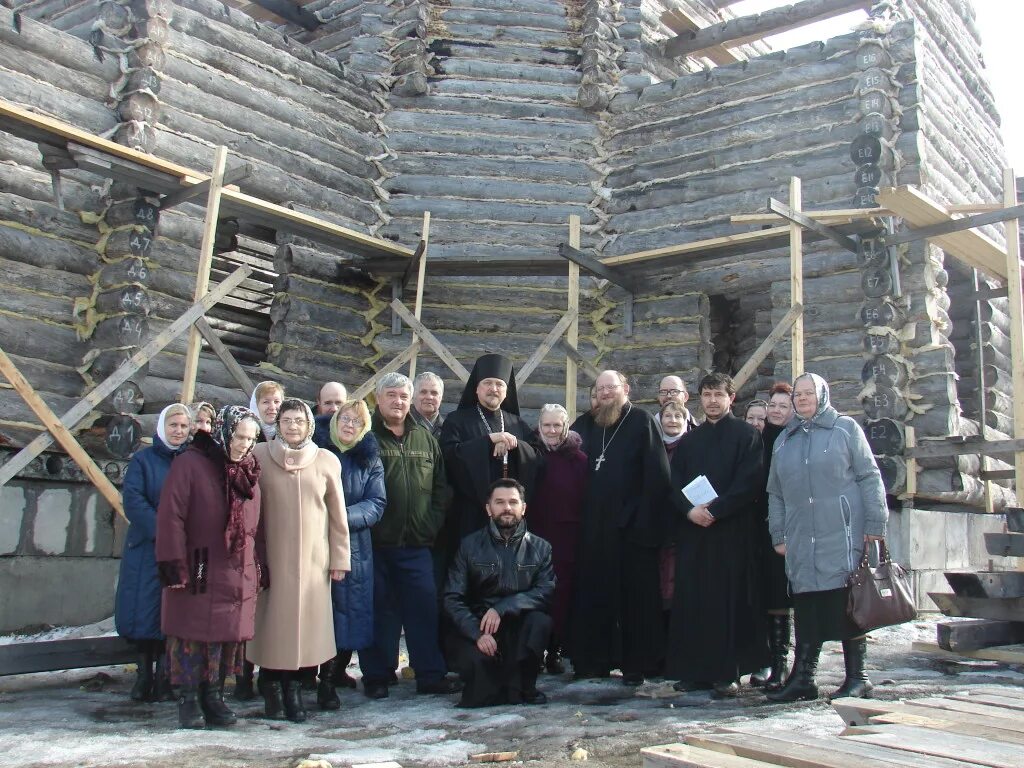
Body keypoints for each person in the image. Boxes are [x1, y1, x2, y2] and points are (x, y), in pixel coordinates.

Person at [767, 373, 887, 703]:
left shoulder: (845, 429)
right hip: (801, 537)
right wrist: (779, 533)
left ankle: (858, 678)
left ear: (823, 395)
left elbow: (869, 476)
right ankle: (803, 679)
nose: (802, 398)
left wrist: (875, 523)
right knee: (807, 606)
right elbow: (775, 493)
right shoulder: (784, 440)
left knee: (847, 602)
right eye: (798, 394)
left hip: (842, 532)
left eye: (809, 393)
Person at [156, 405, 264, 730]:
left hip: (237, 566)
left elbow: (256, 526)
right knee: (193, 633)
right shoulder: (191, 464)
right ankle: (189, 699)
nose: (245, 444)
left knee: (224, 636)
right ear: (223, 432)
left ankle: (214, 695)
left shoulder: (248, 471)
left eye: (251, 438)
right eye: (239, 436)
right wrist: (174, 564)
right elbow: (171, 516)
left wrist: (258, 565)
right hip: (199, 564)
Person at [359, 372, 461, 700]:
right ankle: (377, 675)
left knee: (423, 610)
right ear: (378, 399)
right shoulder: (367, 438)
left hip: (417, 544)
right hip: (376, 544)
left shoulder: (424, 439)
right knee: (380, 610)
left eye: (404, 396)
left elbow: (441, 488)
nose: (398, 401)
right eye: (391, 395)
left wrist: (431, 523)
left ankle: (430, 675)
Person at [248, 400, 350, 722]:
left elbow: (338, 516)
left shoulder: (326, 460)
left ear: (309, 426)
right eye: (287, 420)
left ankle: (294, 689)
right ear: (277, 425)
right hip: (271, 558)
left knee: (305, 629)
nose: (293, 426)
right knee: (271, 626)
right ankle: (270, 687)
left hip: (313, 561)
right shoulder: (258, 456)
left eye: (299, 421)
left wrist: (340, 558)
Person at [567, 370, 671, 685]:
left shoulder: (642, 421)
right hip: (592, 530)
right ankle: (593, 661)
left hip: (631, 529)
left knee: (634, 600)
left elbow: (657, 476)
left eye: (611, 387)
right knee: (593, 594)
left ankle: (637, 663)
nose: (605, 393)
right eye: (600, 388)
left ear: (625, 389)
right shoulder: (584, 425)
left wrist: (640, 522)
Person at [668, 372, 765, 698]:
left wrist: (717, 510)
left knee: (727, 602)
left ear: (731, 398)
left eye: (718, 395)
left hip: (731, 532)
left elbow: (750, 481)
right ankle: (694, 672)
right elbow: (674, 482)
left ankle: (727, 673)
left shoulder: (746, 435)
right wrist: (688, 511)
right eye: (707, 395)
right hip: (695, 532)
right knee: (693, 600)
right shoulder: (690, 441)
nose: (712, 401)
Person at [444, 479, 555, 707]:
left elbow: (545, 591)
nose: (507, 508)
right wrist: (477, 634)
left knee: (540, 622)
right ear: (488, 508)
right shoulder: (469, 546)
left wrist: (502, 607)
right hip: (479, 628)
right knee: (483, 695)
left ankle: (526, 686)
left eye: (513, 502)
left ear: (523, 508)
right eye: (500, 502)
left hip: (517, 629)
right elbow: (452, 598)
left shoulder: (541, 548)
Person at [116, 403, 192, 704]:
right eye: (173, 425)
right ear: (162, 427)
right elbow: (133, 499)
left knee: (169, 610)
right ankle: (143, 674)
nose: (178, 431)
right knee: (143, 608)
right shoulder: (143, 460)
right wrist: (162, 530)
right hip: (147, 547)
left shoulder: (190, 461)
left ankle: (165, 676)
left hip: (179, 548)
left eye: (184, 426)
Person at [313, 398, 386, 698]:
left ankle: (330, 679)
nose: (350, 425)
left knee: (348, 612)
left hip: (354, 545)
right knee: (317, 609)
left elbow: (376, 503)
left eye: (357, 421)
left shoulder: (370, 459)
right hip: (314, 541)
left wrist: (340, 516)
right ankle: (305, 673)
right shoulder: (316, 451)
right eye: (345, 418)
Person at [440, 354, 539, 551]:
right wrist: (488, 441)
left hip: (508, 517)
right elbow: (448, 456)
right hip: (470, 515)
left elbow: (537, 457)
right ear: (476, 389)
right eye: (487, 383)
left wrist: (514, 444)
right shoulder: (456, 420)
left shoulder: (517, 423)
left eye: (499, 384)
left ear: (506, 391)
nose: (493, 389)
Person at [527, 404, 587, 674]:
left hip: (566, 537)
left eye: (557, 425)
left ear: (566, 427)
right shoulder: (529, 454)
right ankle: (533, 649)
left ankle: (556, 649)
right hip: (533, 535)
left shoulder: (579, 460)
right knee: (534, 592)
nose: (551, 431)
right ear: (539, 426)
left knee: (562, 594)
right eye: (547, 425)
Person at [747, 384, 794, 691]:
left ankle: (780, 663)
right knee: (760, 595)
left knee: (780, 596)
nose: (776, 411)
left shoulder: (794, 439)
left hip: (784, 527)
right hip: (755, 528)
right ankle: (761, 660)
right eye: (772, 405)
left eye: (783, 406)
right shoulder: (758, 441)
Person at [655, 401, 691, 631]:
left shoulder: (692, 446)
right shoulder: (653, 445)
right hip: (658, 521)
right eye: (668, 416)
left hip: (685, 521)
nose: (673, 420)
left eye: (678, 416)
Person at [411, 371, 446, 439]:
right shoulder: (400, 424)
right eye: (423, 392)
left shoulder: (449, 428)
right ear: (412, 395)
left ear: (441, 397)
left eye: (434, 393)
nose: (429, 397)